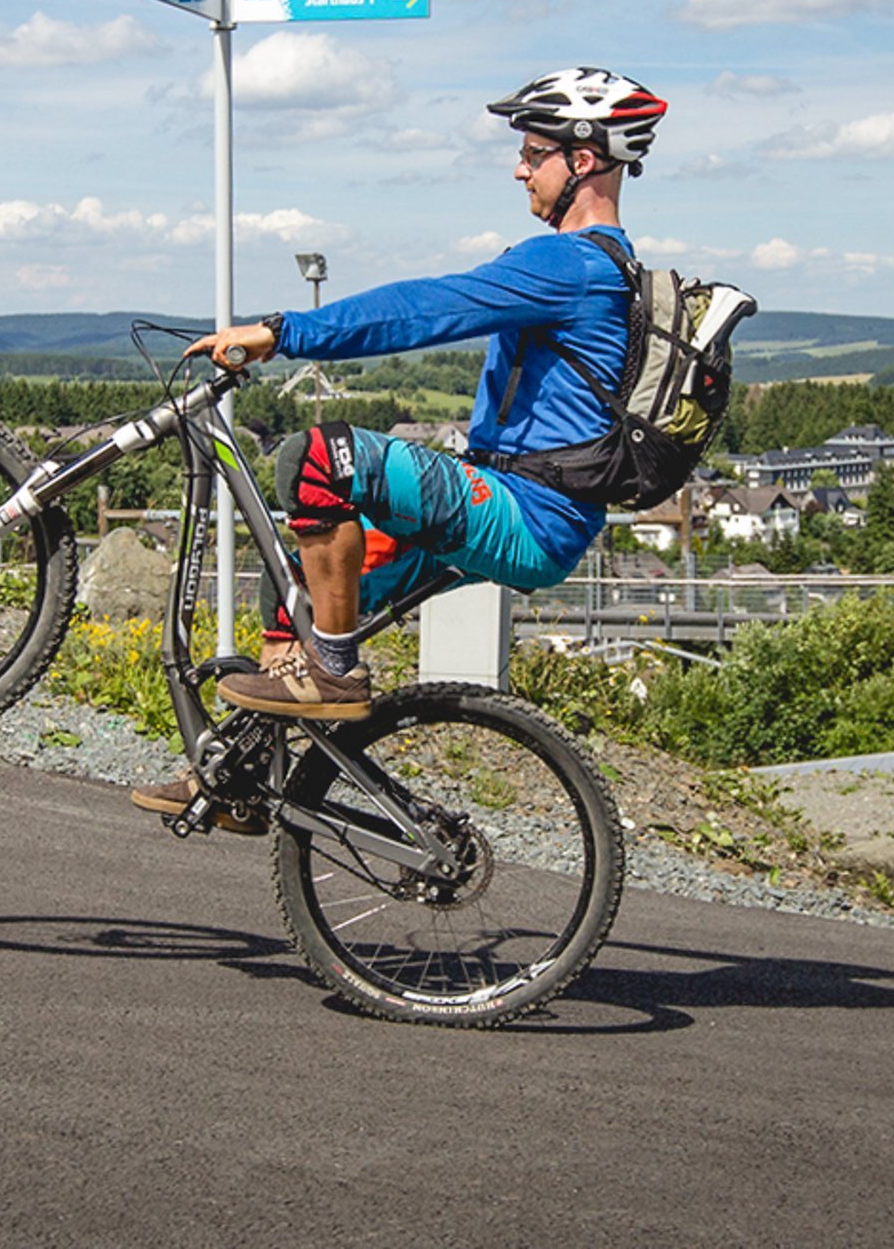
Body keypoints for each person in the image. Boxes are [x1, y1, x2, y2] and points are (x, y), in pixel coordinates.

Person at [130, 66, 673, 825]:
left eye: (533, 150)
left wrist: (284, 332)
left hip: (526, 513)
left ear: (583, 160)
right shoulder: (595, 266)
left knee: (318, 460)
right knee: (299, 585)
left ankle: (336, 674)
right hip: (520, 505)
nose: (519, 166)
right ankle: (242, 776)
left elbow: (424, 308)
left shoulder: (572, 263)